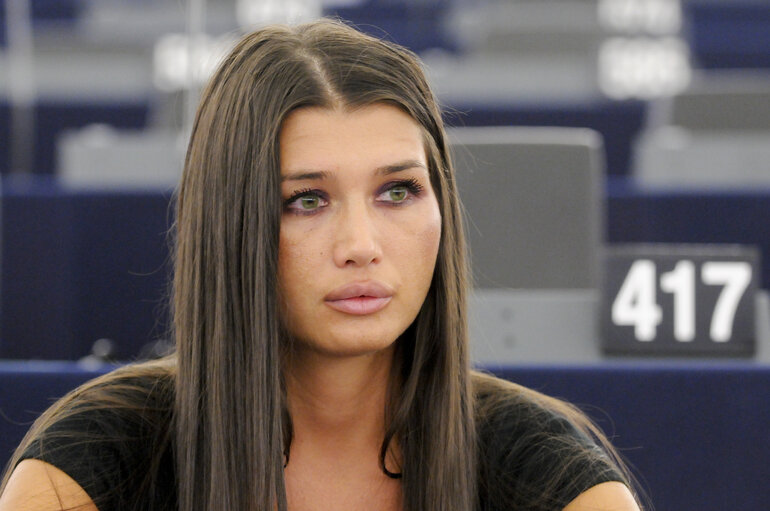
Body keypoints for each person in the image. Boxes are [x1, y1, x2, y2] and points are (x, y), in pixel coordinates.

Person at [0, 19, 642, 511]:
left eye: (398, 191)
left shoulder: (549, 474)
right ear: (232, 225)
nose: (360, 244)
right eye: (306, 200)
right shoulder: (89, 467)